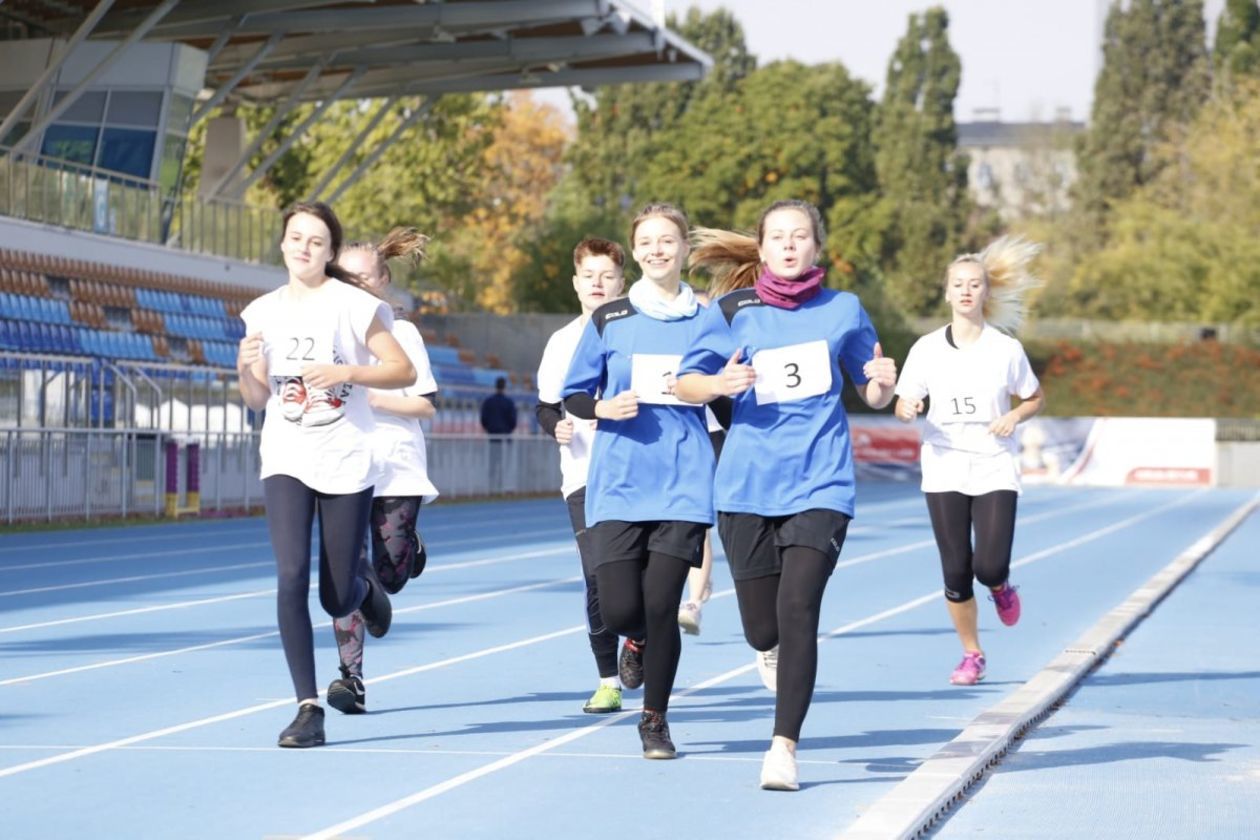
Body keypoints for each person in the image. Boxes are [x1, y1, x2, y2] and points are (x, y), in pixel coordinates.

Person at [674, 199, 896, 791]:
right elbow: (685, 382)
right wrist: (719, 382)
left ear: (817, 247)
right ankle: (765, 649)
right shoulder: (730, 312)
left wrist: (881, 385)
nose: (791, 246)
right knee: (762, 628)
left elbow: (869, 390)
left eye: (801, 237)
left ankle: (783, 746)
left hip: (821, 482)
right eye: (779, 237)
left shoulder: (844, 310)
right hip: (745, 486)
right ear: (763, 248)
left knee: (799, 610)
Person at [237, 201, 416, 748]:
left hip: (344, 456)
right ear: (283, 244)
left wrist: (346, 371)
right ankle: (307, 708)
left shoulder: (353, 306)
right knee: (290, 574)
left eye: (316, 241)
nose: (304, 248)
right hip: (287, 455)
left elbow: (401, 369)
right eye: (296, 237)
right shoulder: (261, 311)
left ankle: (362, 590)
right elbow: (256, 398)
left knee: (335, 598)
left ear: (330, 251)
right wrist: (246, 368)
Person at [562, 203, 715, 760]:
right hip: (620, 479)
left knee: (662, 603)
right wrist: (603, 407)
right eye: (646, 241)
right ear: (638, 250)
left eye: (666, 240)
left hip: (683, 480)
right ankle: (637, 639)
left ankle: (655, 720)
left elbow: (726, 388)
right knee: (623, 609)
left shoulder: (709, 318)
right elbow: (573, 394)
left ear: (683, 248)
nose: (656, 249)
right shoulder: (612, 319)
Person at [893, 236, 1044, 688]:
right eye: (957, 284)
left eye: (974, 284)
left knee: (989, 566)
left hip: (994, 464)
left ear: (986, 293)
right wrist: (906, 409)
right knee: (956, 571)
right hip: (944, 467)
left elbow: (1034, 397)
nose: (965, 291)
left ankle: (1000, 587)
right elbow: (904, 400)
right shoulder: (926, 349)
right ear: (946, 293)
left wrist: (1013, 416)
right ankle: (972, 653)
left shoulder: (1005, 349)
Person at [323, 227, 440, 715]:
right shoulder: (323, 333)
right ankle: (351, 679)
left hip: (395, 467)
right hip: (340, 467)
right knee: (340, 572)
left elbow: (427, 406)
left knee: (387, 578)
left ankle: (405, 551)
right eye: (348, 278)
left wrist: (376, 398)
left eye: (366, 278)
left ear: (383, 280)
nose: (358, 286)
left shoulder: (402, 332)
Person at [535, 236, 633, 714]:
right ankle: (608, 679)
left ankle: (638, 640)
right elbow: (544, 406)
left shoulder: (639, 332)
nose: (597, 283)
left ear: (622, 282)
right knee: (598, 578)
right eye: (588, 275)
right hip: (583, 474)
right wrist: (556, 426)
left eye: (607, 275)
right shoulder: (561, 343)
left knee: (639, 578)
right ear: (576, 284)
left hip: (638, 471)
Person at [481, 375, 518, 491]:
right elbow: (513, 420)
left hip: (492, 437)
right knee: (504, 463)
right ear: (504, 386)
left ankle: (492, 488)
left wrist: (490, 429)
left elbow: (483, 419)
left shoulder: (488, 401)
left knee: (492, 462)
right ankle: (502, 486)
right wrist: (508, 430)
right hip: (505, 438)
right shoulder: (508, 402)